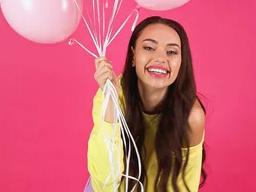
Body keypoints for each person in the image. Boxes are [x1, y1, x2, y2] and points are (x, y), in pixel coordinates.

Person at [86, 16, 208, 192]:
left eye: (172, 52)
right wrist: (111, 101)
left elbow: (183, 187)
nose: (160, 58)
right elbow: (104, 184)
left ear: (181, 62)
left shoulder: (190, 116)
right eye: (149, 48)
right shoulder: (111, 93)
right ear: (133, 56)